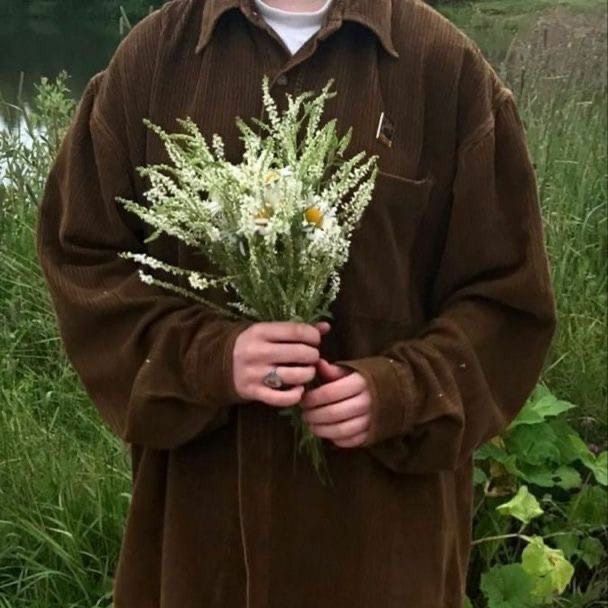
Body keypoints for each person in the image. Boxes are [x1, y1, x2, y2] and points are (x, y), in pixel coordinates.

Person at [35, 0, 558, 606]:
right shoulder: (152, 60)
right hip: (200, 539)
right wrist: (207, 358)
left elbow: (508, 299)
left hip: (382, 539)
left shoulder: (445, 68)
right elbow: (84, 260)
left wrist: (400, 392)